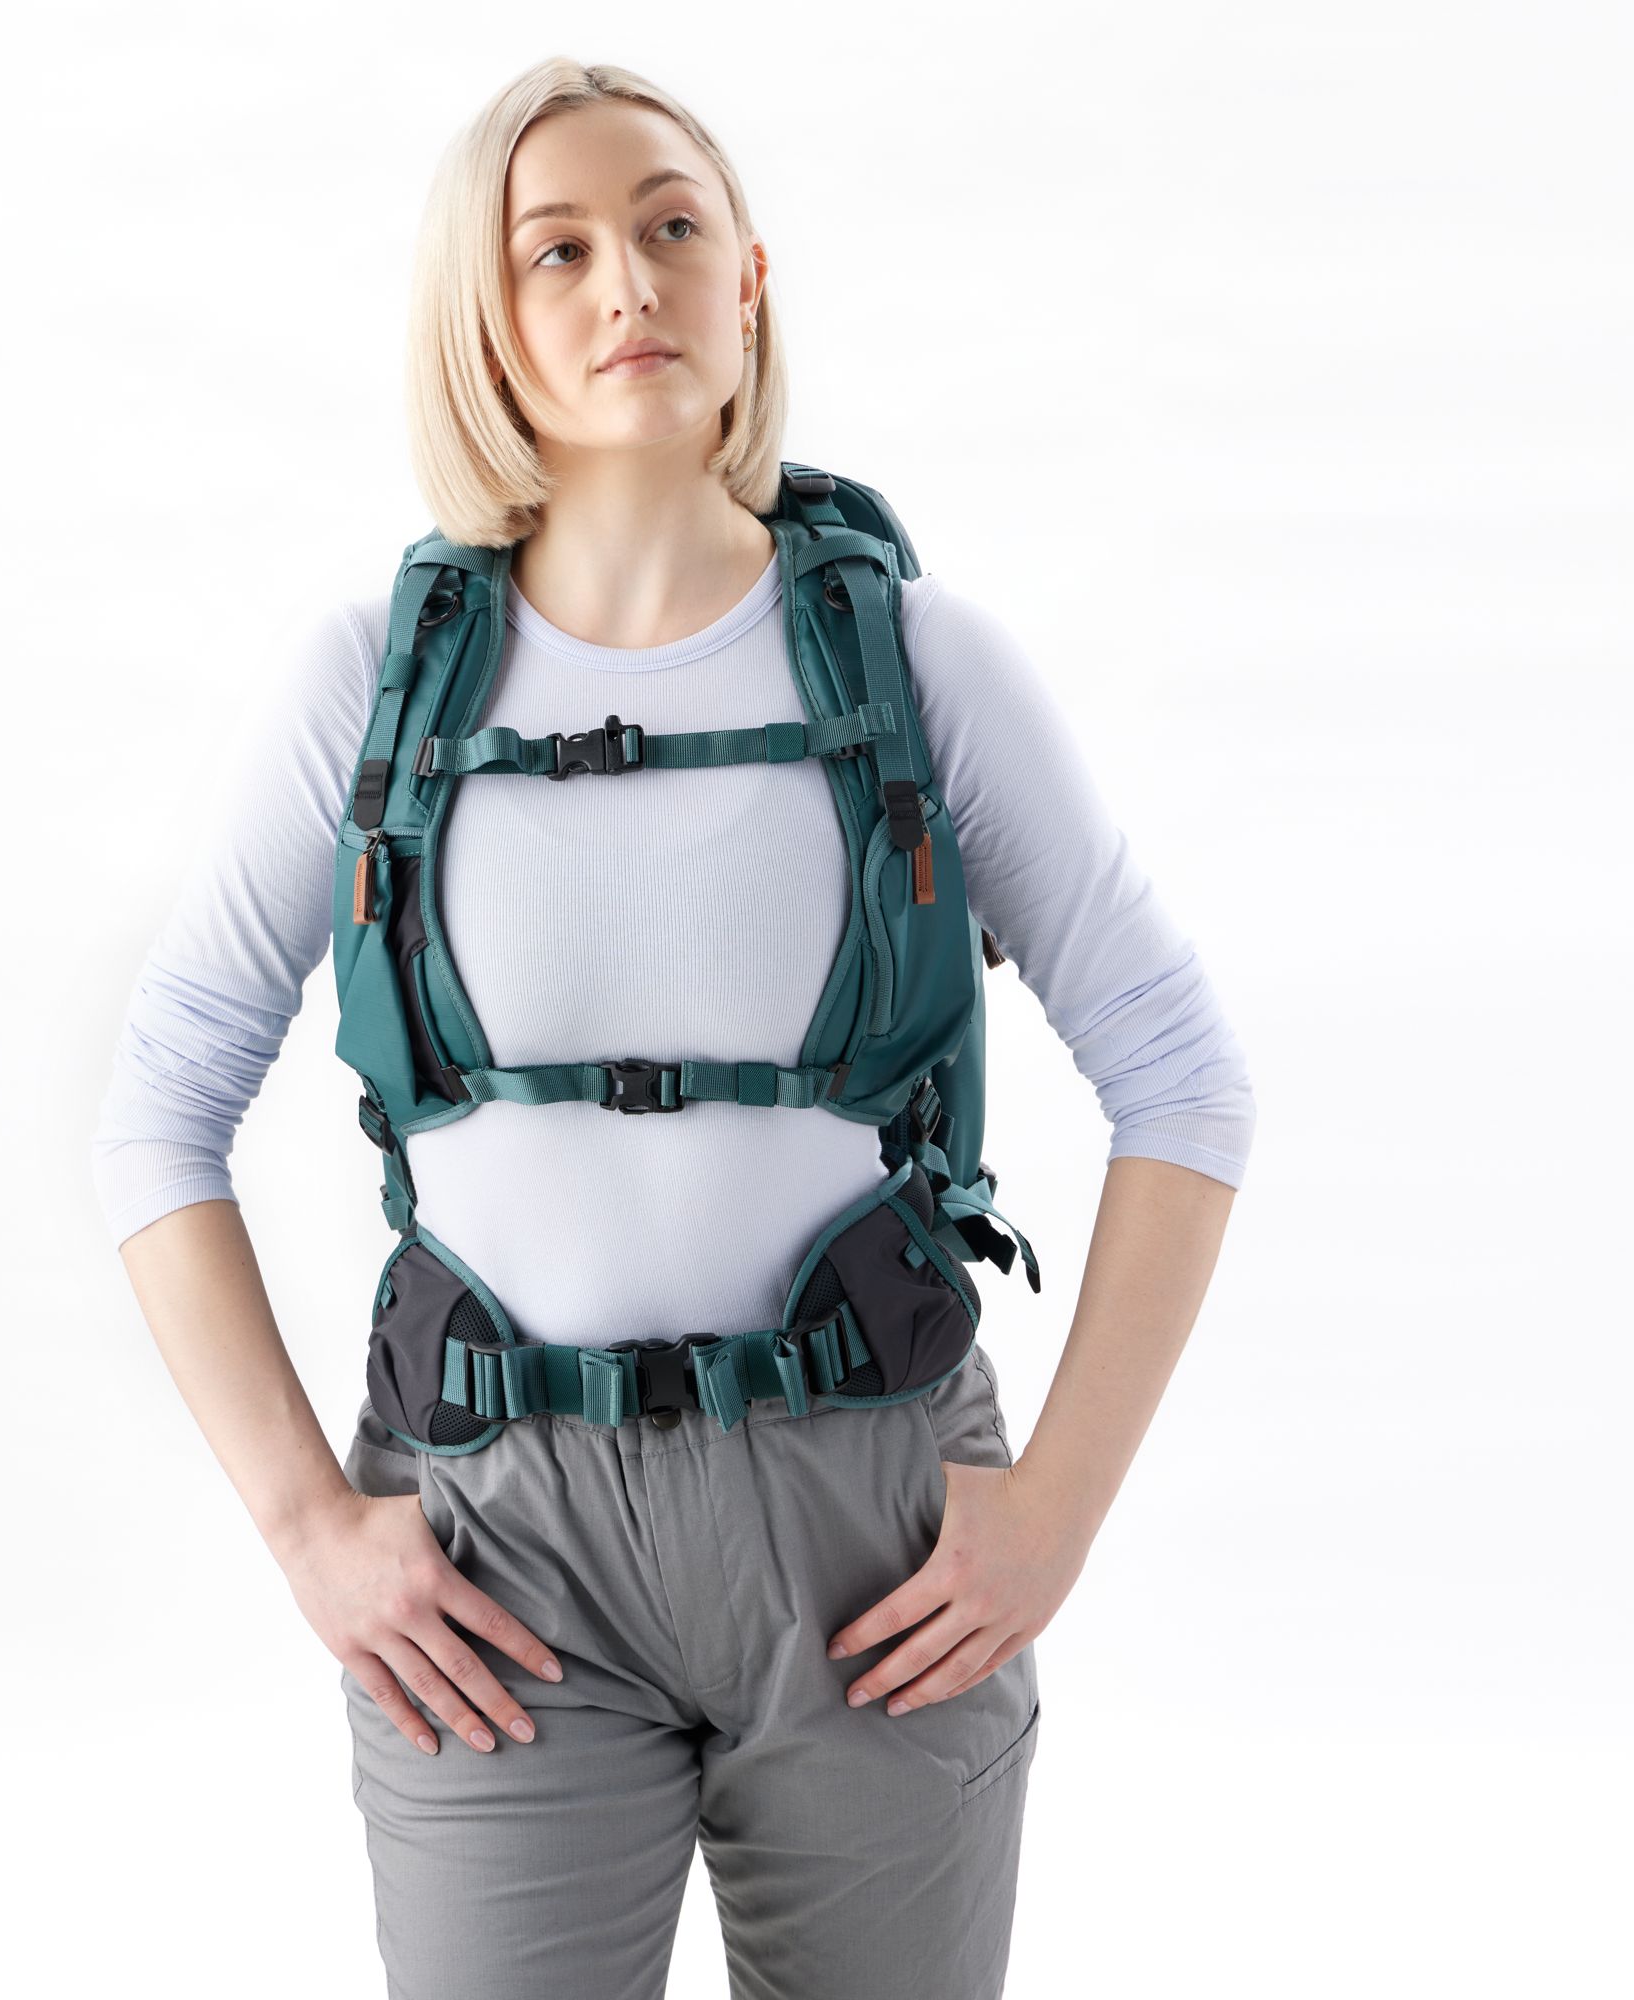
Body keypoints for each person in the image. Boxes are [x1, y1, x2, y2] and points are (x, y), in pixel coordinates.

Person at [92, 57, 1256, 2000]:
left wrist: (1055, 1512)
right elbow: (157, 1108)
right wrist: (308, 1527)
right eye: (555, 249)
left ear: (748, 282)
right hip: (493, 1549)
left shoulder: (921, 662)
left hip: (875, 1529)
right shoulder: (367, 686)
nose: (626, 281)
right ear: (483, 322)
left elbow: (1181, 1075)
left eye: (671, 226)